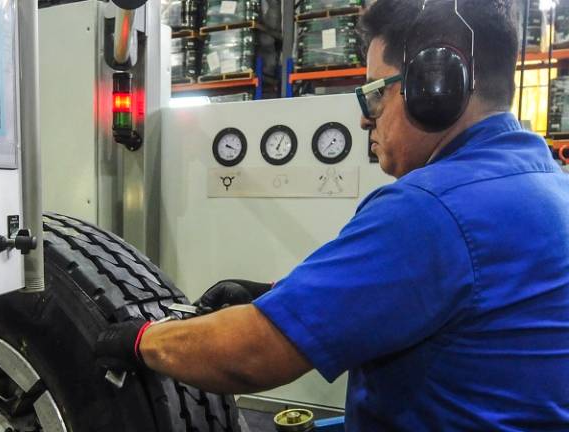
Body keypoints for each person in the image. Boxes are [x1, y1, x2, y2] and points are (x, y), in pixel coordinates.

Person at [96, 0, 569, 429]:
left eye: (375, 93)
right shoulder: (547, 183)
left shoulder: (432, 207)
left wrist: (140, 341)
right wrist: (278, 297)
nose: (366, 117)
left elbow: (252, 357)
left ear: (435, 85)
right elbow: (421, 296)